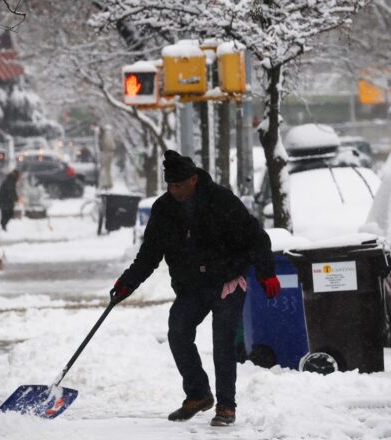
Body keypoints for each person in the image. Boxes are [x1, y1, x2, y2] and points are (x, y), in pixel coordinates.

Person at [111, 150, 279, 427]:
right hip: (192, 285)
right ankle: (198, 394)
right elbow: (150, 253)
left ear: (194, 180)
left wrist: (266, 273)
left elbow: (256, 237)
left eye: (179, 185)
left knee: (223, 341)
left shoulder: (221, 200)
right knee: (178, 332)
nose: (174, 190)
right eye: (170, 186)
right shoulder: (164, 209)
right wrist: (128, 282)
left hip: (227, 281)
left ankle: (226, 406)